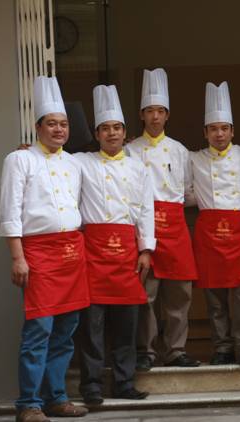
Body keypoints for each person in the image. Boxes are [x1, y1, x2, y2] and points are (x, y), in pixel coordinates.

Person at [0, 76, 89, 422]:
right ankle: (29, 404)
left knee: (65, 333)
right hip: (38, 253)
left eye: (63, 124)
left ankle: (57, 399)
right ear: (38, 127)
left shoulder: (75, 163)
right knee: (39, 331)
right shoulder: (19, 160)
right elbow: (10, 211)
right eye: (51, 123)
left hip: (72, 253)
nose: (58, 129)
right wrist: (17, 257)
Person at [76, 84, 155, 404]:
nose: (112, 133)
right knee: (91, 326)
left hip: (127, 252)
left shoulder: (138, 167)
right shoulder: (80, 162)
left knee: (126, 325)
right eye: (105, 128)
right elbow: (49, 162)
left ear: (125, 133)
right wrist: (27, 149)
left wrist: (146, 249)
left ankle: (124, 383)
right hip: (92, 253)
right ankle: (92, 386)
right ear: (97, 134)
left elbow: (146, 209)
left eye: (117, 128)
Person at [126, 68, 200, 369]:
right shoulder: (130, 150)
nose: (155, 116)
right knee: (146, 295)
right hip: (144, 229)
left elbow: (189, 193)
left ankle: (176, 350)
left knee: (180, 295)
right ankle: (146, 352)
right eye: (149, 111)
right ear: (141, 115)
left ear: (167, 115)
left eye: (160, 111)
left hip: (175, 228)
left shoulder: (180, 150)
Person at [189, 81, 240, 367]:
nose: (219, 134)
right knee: (214, 295)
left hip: (238, 231)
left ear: (232, 131)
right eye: (213, 129)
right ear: (205, 132)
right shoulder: (192, 159)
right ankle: (222, 347)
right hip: (208, 233)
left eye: (224, 128)